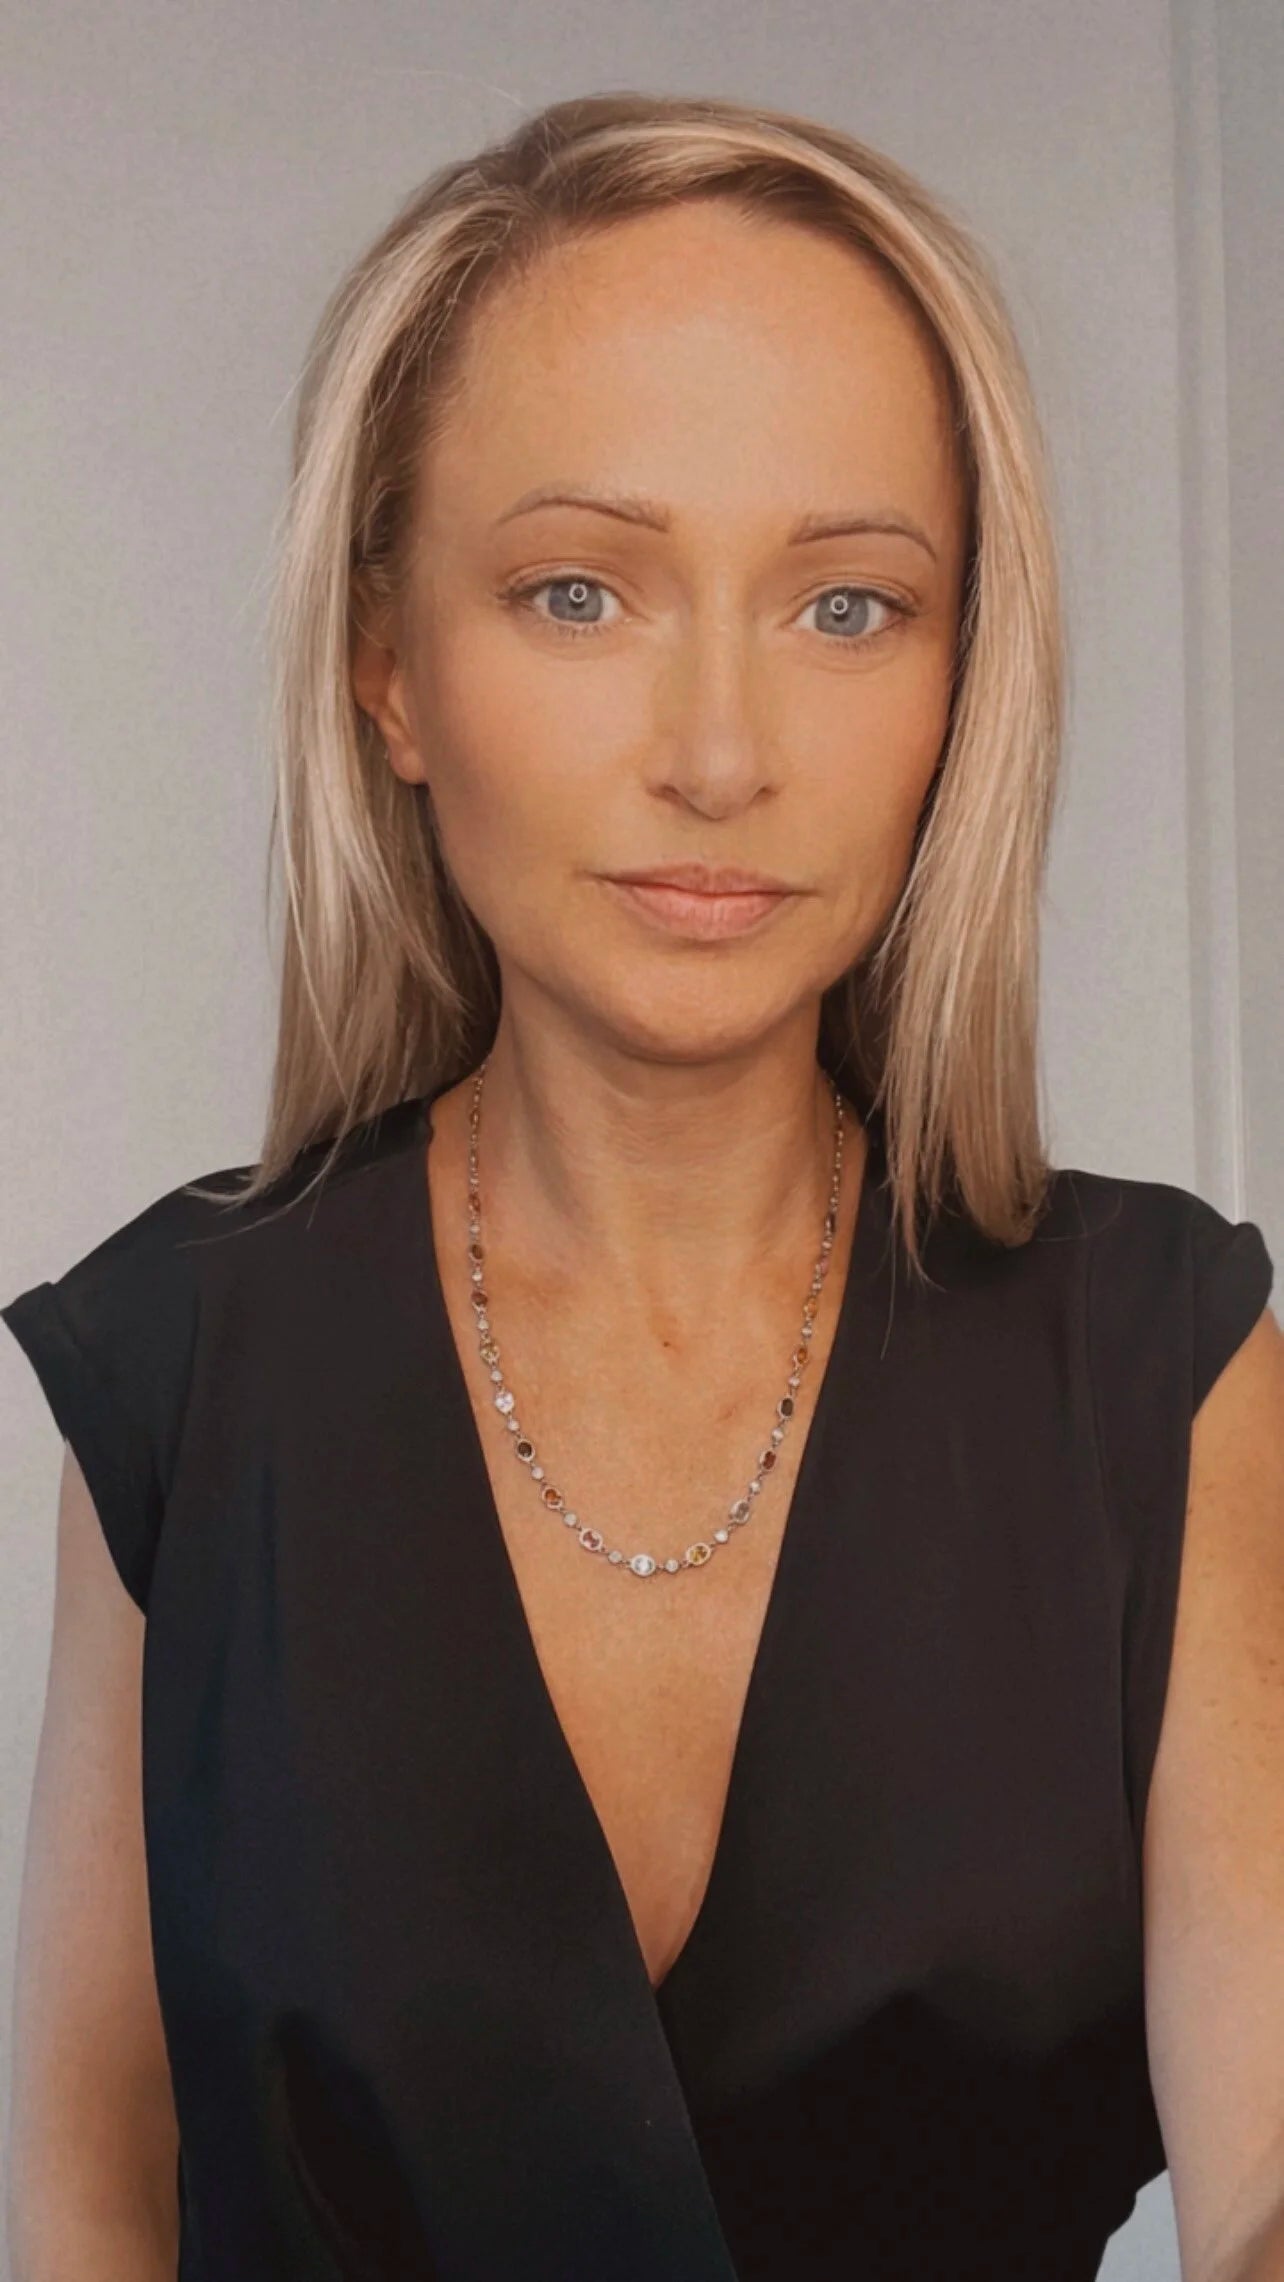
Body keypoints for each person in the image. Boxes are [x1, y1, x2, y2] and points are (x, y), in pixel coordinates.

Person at [3, 88, 1282, 2282]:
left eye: (849, 606)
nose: (718, 748)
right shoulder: (192, 1358)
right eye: (581, 589)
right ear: (393, 667)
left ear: (965, 680)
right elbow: (88, 2192)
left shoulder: (1157, 1354)